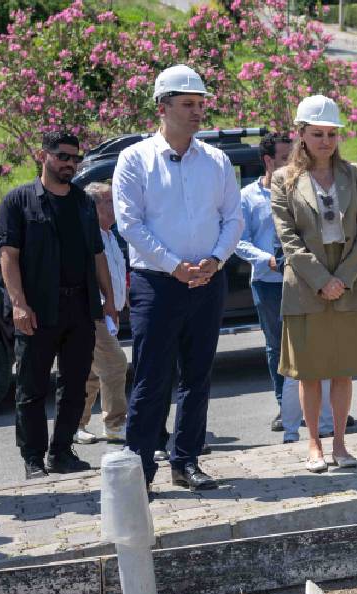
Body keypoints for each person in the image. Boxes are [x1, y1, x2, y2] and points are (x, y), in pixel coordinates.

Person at [113, 64, 244, 491]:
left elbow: (233, 218)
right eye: (188, 104)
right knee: (152, 378)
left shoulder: (217, 160)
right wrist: (174, 264)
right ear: (162, 106)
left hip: (208, 279)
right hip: (157, 283)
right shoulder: (134, 160)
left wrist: (215, 259)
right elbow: (129, 224)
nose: (197, 112)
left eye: (201, 104)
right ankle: (139, 472)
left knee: (198, 376)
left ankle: (185, 462)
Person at [0, 131, 118, 479]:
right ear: (44, 156)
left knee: (76, 383)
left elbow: (97, 252)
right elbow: (9, 257)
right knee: (32, 387)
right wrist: (19, 304)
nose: (70, 163)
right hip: (37, 309)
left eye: (75, 158)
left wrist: (108, 298)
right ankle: (33, 458)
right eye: (63, 156)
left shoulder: (82, 201)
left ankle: (61, 452)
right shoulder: (18, 201)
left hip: (80, 306)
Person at [271, 95, 357, 473]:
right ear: (301, 134)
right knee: (311, 370)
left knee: (342, 368)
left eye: (332, 133)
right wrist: (321, 280)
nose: (326, 141)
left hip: (349, 279)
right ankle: (313, 443)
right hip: (305, 284)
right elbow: (288, 237)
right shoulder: (283, 179)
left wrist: (342, 279)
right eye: (318, 134)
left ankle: (341, 444)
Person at [237, 131, 293, 431]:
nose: (291, 164)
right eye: (285, 159)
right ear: (268, 161)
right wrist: (267, 260)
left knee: (311, 343)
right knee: (276, 347)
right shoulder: (246, 197)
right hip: (267, 282)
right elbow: (239, 242)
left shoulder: (301, 189)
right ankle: (286, 408)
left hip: (302, 281)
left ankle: (323, 408)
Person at [74, 182, 129, 445]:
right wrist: (105, 306)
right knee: (116, 364)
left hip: (108, 314)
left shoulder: (110, 235)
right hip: (94, 313)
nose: (114, 205)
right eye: (108, 201)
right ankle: (115, 425)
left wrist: (119, 305)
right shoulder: (87, 235)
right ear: (93, 207)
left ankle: (76, 424)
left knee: (93, 372)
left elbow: (117, 275)